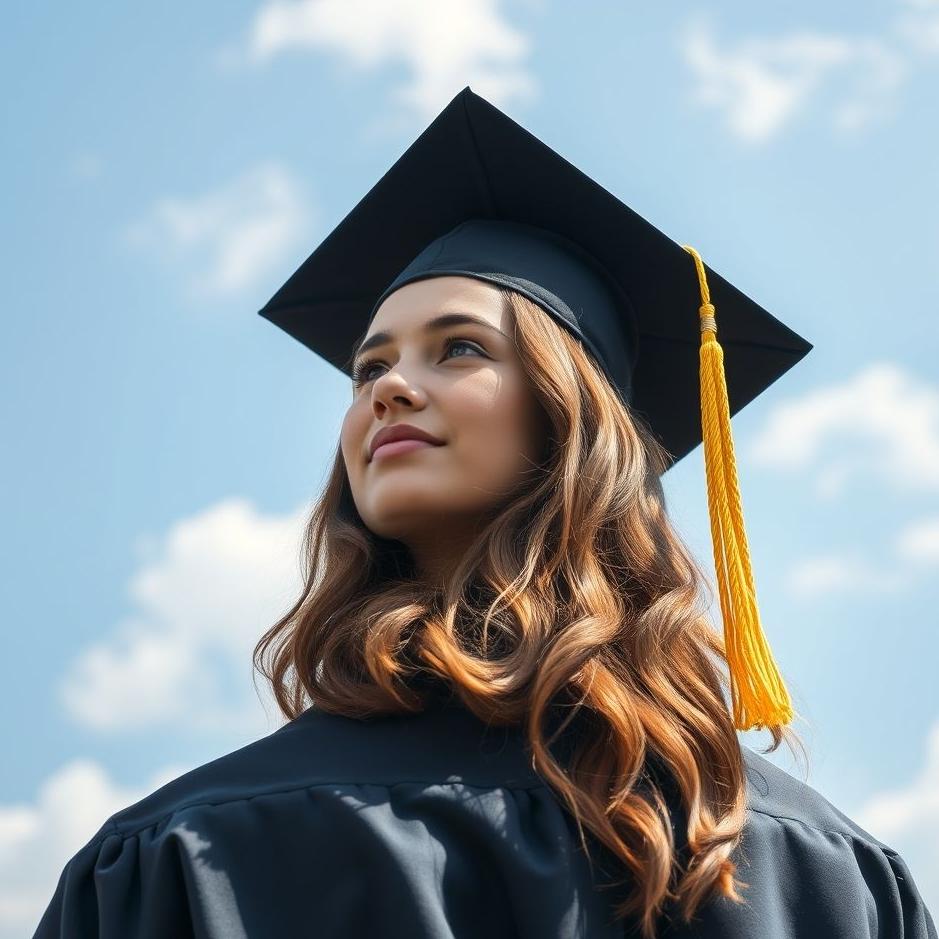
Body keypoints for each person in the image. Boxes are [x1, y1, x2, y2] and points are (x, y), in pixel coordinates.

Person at [33, 87, 936, 939]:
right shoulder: (182, 856)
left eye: (457, 347)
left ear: (574, 414)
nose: (389, 388)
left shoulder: (803, 865)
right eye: (368, 368)